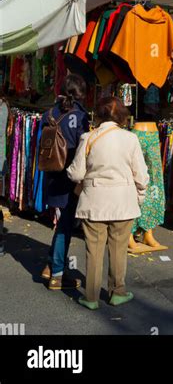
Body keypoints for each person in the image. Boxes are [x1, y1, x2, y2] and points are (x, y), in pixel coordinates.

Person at [67, 96, 149, 310]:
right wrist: (139, 196)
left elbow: (76, 174)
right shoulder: (131, 139)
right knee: (119, 249)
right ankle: (117, 292)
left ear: (98, 114)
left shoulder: (88, 137)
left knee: (93, 251)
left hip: (94, 202)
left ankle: (91, 297)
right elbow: (141, 175)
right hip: (124, 202)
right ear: (121, 115)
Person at [41, 74, 89, 290]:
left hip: (51, 175)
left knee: (61, 223)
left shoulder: (47, 114)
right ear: (81, 94)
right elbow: (84, 148)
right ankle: (57, 275)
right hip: (70, 177)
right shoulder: (80, 116)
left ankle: (51, 265)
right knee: (64, 227)